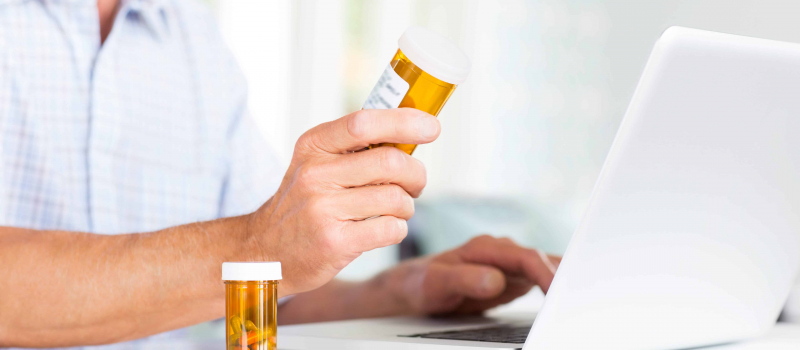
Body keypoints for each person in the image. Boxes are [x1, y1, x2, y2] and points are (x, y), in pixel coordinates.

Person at [0, 0, 560, 347]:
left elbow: (264, 293)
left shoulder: (191, 39)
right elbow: (253, 251)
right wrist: (256, 242)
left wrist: (409, 290)